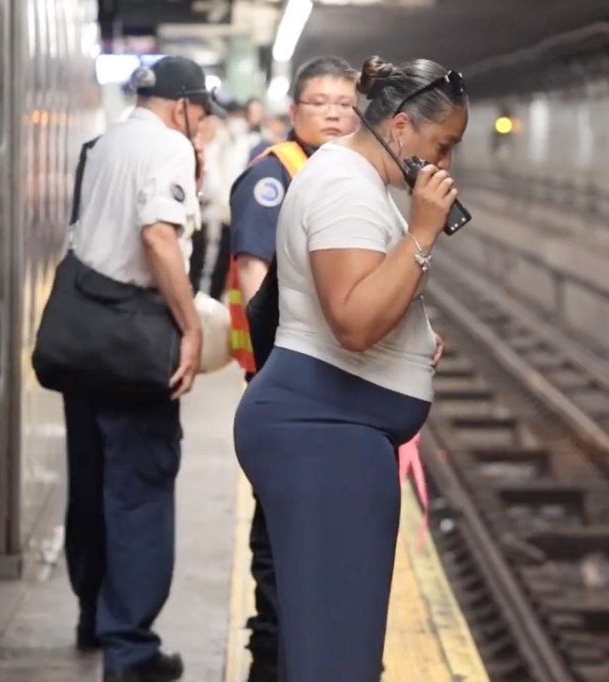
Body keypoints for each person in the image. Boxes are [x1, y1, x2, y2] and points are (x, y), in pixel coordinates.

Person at [232, 54, 468, 681]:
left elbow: (364, 298)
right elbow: (354, 322)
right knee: (334, 660)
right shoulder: (344, 185)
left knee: (339, 652)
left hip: (336, 434)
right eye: (441, 145)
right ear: (398, 127)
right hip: (322, 434)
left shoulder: (355, 181)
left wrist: (412, 336)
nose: (443, 164)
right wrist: (421, 232)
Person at [60, 54, 223, 682]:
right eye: (201, 116)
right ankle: (129, 649)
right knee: (139, 492)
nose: (202, 128)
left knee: (91, 483)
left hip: (81, 340)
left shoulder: (102, 145)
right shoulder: (168, 146)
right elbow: (158, 238)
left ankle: (90, 615)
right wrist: (187, 326)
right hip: (133, 339)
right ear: (182, 106)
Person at [224, 55, 359, 682]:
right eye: (321, 102)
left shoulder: (348, 177)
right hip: (289, 392)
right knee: (281, 551)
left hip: (331, 396)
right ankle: (270, 667)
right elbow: (257, 290)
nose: (334, 112)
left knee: (326, 550)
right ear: (294, 112)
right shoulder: (272, 179)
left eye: (345, 102)